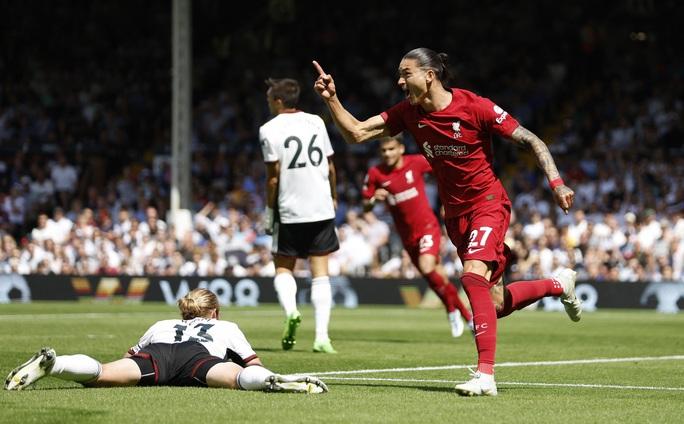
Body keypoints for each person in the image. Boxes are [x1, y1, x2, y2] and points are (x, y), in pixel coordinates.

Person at [313, 48, 582, 396]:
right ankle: (559, 285)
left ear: (429, 75)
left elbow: (531, 139)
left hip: (488, 203)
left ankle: (485, 375)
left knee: (471, 277)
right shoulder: (409, 113)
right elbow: (357, 133)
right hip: (455, 216)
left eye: (405, 73)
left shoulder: (475, 106)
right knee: (495, 304)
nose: (399, 81)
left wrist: (557, 183)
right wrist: (332, 100)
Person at [5, 288, 328, 393]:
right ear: (213, 311)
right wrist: (260, 372)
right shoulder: (225, 326)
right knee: (240, 378)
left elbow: (129, 355)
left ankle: (55, 363)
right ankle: (275, 382)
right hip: (198, 357)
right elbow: (251, 363)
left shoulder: (162, 323)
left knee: (102, 373)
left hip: (157, 353)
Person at [362, 135, 473, 337]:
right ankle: (462, 315)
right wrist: (373, 200)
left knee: (427, 266)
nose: (387, 154)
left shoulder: (416, 162)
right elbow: (365, 203)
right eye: (384, 151)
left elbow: (443, 168)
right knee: (435, 278)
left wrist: (449, 200)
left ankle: (456, 312)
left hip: (428, 227)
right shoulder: (375, 173)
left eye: (391, 149)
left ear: (401, 149)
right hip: (407, 236)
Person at [260, 78, 339, 354]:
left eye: (270, 98)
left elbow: (273, 178)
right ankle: (321, 337)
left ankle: (292, 311)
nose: (268, 102)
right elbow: (330, 165)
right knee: (321, 274)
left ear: (279, 100)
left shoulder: (268, 129)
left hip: (290, 208)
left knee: (283, 267)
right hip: (320, 207)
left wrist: (270, 211)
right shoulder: (316, 122)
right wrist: (334, 195)